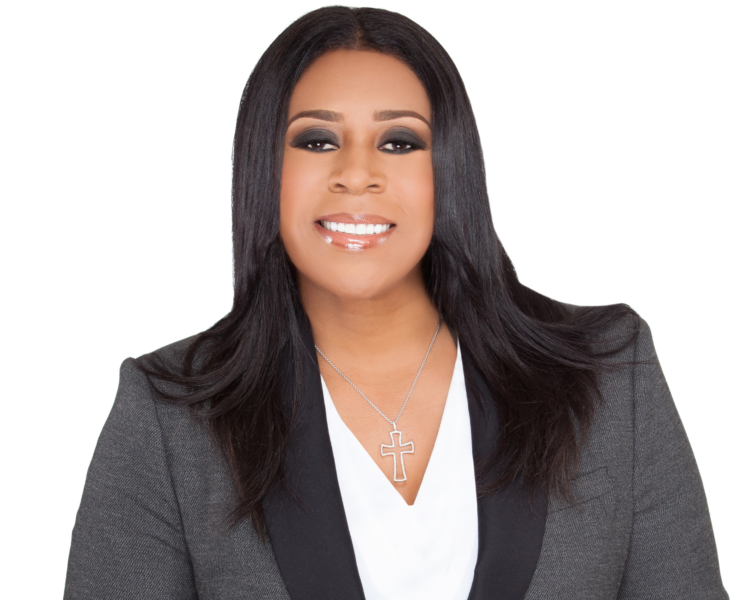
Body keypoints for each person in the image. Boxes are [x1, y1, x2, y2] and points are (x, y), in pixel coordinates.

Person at [63, 6, 728, 599]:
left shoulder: (606, 375)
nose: (357, 174)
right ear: (265, 169)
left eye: (399, 142)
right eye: (317, 140)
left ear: (448, 168)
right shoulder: (170, 414)